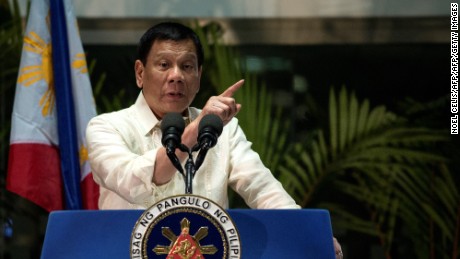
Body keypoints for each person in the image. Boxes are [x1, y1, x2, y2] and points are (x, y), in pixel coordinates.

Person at [85, 21, 342, 258]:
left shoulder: (223, 130)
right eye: (164, 65)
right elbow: (133, 182)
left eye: (187, 66)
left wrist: (310, 232)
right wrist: (195, 129)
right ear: (140, 73)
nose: (176, 76)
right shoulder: (106, 127)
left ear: (198, 76)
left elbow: (263, 190)